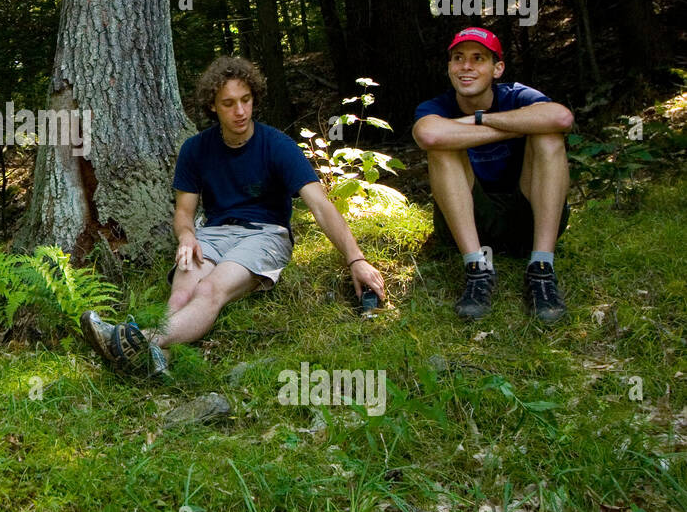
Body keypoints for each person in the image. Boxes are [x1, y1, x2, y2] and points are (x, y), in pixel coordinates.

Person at [80, 56, 386, 375]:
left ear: (254, 98)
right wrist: (186, 238)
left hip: (265, 235)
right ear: (213, 106)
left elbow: (321, 206)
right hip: (211, 233)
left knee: (210, 289)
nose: (240, 111)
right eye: (228, 103)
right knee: (182, 291)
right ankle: (157, 358)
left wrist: (356, 259)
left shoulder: (278, 146)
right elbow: (184, 213)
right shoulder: (196, 149)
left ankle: (136, 342)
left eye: (245, 100)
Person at [412, 27, 572, 322]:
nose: (467, 66)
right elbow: (430, 135)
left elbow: (561, 117)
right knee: (442, 148)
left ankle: (541, 268)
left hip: (529, 217)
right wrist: (515, 126)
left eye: (478, 58)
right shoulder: (437, 106)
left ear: (497, 69)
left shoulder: (517, 95)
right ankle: (477, 269)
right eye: (458, 58)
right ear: (449, 68)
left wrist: (478, 120)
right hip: (472, 221)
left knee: (549, 136)